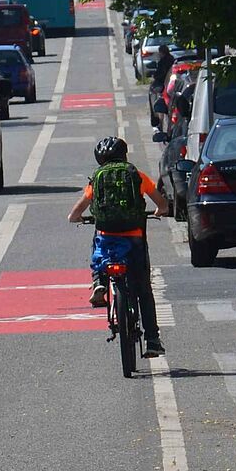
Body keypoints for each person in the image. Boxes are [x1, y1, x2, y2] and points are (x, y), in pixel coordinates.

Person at [68, 136, 169, 358]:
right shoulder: (136, 175)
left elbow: (76, 212)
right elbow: (161, 203)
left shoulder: (97, 179)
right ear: (124, 155)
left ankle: (99, 282)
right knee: (143, 289)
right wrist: (159, 211)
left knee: (98, 246)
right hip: (134, 237)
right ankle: (152, 339)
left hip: (107, 236)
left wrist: (77, 217)